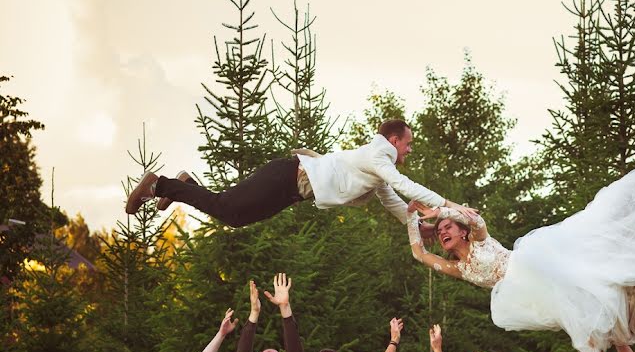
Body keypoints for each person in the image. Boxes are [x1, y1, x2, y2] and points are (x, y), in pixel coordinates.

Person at [405, 159, 635, 352]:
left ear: (461, 232)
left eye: (448, 229)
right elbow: (419, 253)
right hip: (525, 294)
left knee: (591, 270)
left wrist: (440, 212)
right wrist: (409, 217)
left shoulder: (479, 238)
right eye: (440, 232)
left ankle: (631, 272)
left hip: (531, 265)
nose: (443, 232)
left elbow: (475, 218)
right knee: (581, 318)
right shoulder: (458, 268)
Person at [125, 119, 478, 230]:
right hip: (287, 177)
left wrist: (422, 227)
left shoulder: (378, 167)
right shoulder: (380, 153)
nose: (409, 150)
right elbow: (406, 186)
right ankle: (160, 184)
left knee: (234, 218)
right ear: (394, 139)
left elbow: (394, 202)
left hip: (292, 190)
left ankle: (185, 187)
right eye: (408, 144)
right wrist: (451, 205)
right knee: (228, 208)